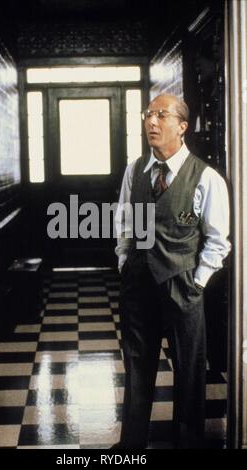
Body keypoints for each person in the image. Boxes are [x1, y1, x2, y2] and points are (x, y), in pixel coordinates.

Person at [113, 93, 231, 449]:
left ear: (182, 126)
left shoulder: (206, 177)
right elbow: (124, 222)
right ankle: (131, 444)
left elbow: (218, 241)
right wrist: (125, 262)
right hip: (138, 286)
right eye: (148, 114)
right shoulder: (135, 171)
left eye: (161, 115)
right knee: (137, 366)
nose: (151, 121)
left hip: (182, 286)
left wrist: (196, 282)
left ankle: (189, 442)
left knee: (189, 369)